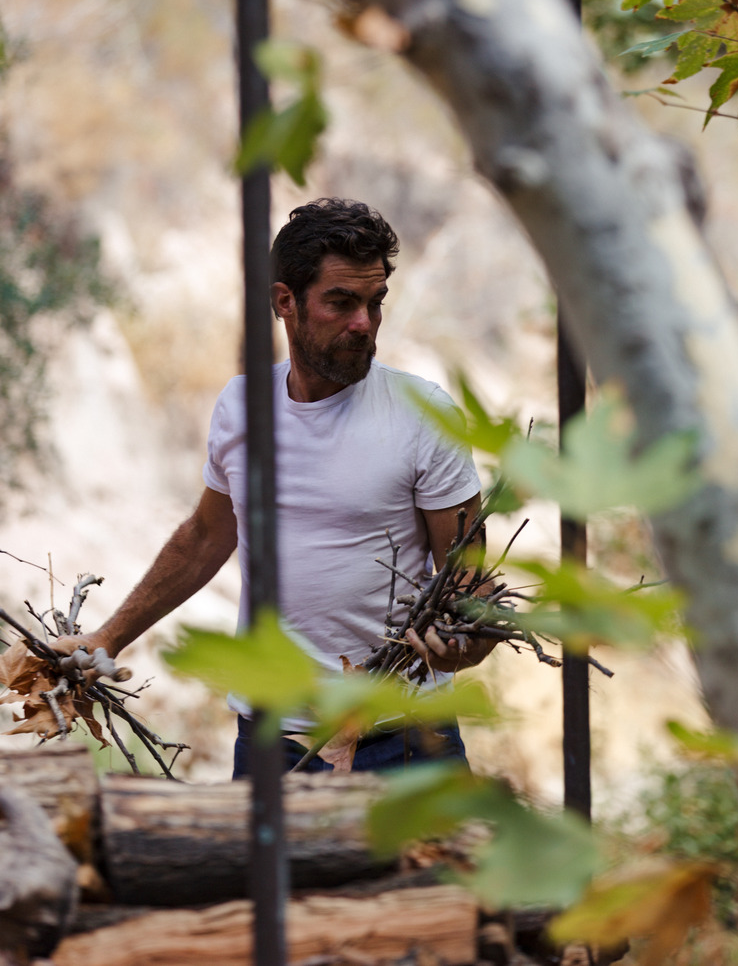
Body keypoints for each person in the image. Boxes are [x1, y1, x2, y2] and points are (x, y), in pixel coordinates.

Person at [55, 198, 492, 774]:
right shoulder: (242, 407)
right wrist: (106, 638)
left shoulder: (422, 415)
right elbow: (207, 537)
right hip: (270, 743)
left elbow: (470, 584)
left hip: (405, 738)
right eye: (342, 302)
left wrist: (464, 644)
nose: (365, 323)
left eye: (375, 302)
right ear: (285, 301)